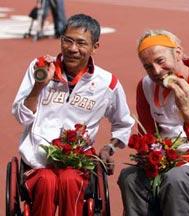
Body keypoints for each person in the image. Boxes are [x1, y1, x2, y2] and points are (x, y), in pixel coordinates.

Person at [12, 13, 134, 216]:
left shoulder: (107, 83)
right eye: (67, 40)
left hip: (78, 163)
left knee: (69, 180)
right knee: (47, 181)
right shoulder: (39, 68)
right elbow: (21, 117)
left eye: (81, 43)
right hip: (37, 161)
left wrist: (110, 147)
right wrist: (38, 87)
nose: (72, 48)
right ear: (61, 40)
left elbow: (124, 124)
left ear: (95, 47)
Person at [118, 29, 189, 216]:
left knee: (175, 179)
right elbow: (148, 134)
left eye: (160, 61)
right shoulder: (146, 86)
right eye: (148, 66)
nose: (156, 71)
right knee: (129, 178)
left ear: (177, 53)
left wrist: (188, 110)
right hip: (164, 158)